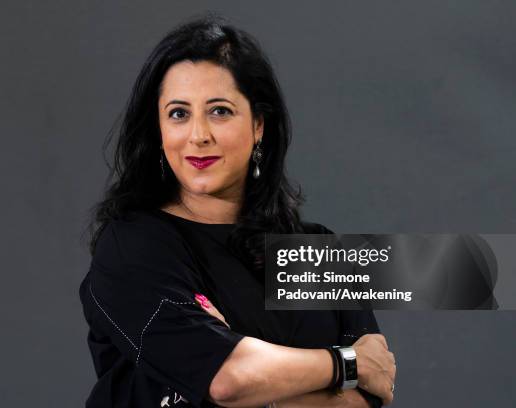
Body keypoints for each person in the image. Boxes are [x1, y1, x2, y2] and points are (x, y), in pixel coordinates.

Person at [79, 14, 396, 408]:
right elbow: (228, 380)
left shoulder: (317, 251)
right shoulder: (133, 248)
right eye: (178, 113)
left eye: (220, 111)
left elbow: (373, 388)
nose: (199, 135)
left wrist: (257, 377)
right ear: (159, 131)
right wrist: (344, 364)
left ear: (258, 124)